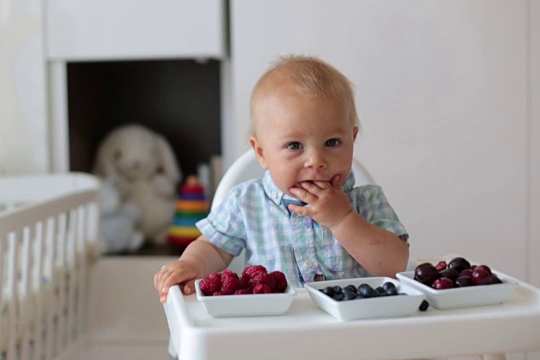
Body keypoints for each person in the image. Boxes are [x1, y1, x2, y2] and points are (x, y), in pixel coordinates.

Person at [154, 55, 409, 303]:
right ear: (262, 153)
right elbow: (213, 247)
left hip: (350, 334)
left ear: (352, 140)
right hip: (275, 332)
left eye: (332, 142)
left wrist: (343, 220)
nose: (316, 160)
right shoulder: (247, 203)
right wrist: (191, 264)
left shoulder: (366, 201)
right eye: (295, 145)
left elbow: (394, 265)